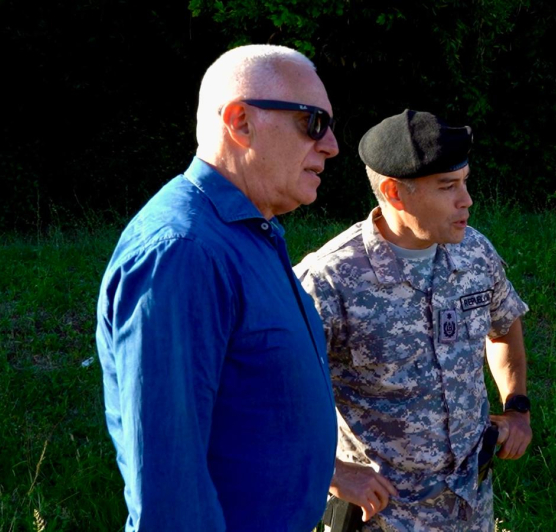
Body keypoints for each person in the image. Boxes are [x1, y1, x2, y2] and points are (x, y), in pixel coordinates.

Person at [95, 44, 340, 531]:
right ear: (240, 122)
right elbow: (169, 487)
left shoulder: (250, 233)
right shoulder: (184, 252)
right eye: (314, 123)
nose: (331, 145)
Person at [295, 110, 533, 531]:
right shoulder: (330, 280)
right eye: (448, 187)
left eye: (465, 182)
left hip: (469, 505)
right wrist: (331, 472)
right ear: (394, 193)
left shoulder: (473, 252)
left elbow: (503, 325)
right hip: (383, 517)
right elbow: (261, 395)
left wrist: (516, 406)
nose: (467, 200)